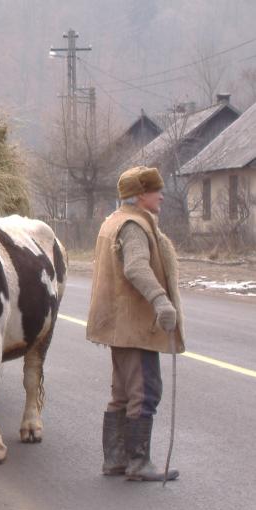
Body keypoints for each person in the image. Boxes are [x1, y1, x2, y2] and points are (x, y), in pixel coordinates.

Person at [87, 166, 185, 482]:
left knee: (123, 393)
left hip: (119, 324)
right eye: (157, 190)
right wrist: (160, 300)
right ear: (141, 194)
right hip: (134, 324)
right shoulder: (133, 226)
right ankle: (138, 463)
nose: (162, 195)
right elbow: (136, 267)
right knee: (145, 391)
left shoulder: (115, 221)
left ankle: (115, 460)